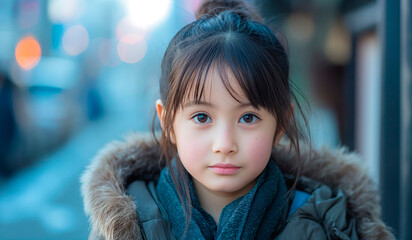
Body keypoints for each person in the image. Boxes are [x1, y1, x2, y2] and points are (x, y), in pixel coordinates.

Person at [80, 0, 395, 239]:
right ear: (168, 122)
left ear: (280, 124)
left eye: (248, 117)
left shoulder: (328, 222)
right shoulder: (124, 223)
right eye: (202, 116)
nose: (225, 144)